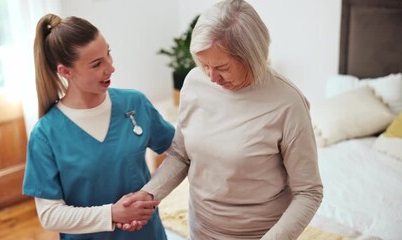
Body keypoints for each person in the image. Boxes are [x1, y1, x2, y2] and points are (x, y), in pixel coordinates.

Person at [122, 0, 323, 239]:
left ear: (252, 56)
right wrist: (149, 194)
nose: (211, 76)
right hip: (199, 228)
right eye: (204, 64)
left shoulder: (288, 103)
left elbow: (309, 192)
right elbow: (181, 155)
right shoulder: (195, 82)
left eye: (222, 67)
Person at [22, 13, 175, 240]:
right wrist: (113, 214)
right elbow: (50, 215)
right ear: (65, 71)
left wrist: (149, 194)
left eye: (108, 54)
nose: (110, 68)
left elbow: (180, 153)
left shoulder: (134, 104)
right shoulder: (45, 135)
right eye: (97, 64)